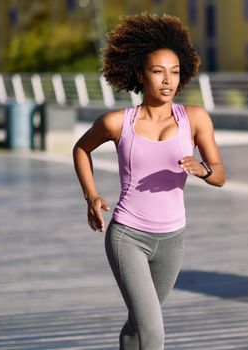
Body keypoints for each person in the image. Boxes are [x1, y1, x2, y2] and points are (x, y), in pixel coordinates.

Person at [72, 13, 226, 349]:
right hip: (128, 236)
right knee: (153, 330)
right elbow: (81, 148)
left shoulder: (195, 118)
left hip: (173, 239)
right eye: (158, 71)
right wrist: (91, 195)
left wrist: (204, 170)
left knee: (138, 323)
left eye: (174, 72)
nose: (168, 80)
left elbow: (220, 175)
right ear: (140, 75)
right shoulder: (117, 122)